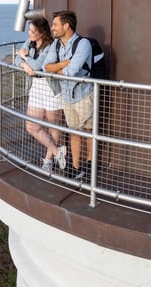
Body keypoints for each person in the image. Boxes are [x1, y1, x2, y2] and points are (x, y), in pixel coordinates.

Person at [43, 10, 94, 181]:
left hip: (83, 94)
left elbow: (71, 72)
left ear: (66, 26)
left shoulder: (83, 44)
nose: (52, 28)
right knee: (74, 132)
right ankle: (75, 167)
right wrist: (64, 63)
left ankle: (90, 164)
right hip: (67, 96)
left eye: (55, 24)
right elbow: (45, 67)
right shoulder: (56, 44)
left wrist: (56, 68)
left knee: (88, 131)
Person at [15, 17, 66, 172]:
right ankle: (58, 152)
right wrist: (24, 64)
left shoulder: (52, 46)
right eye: (29, 30)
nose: (29, 34)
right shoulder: (29, 42)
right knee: (32, 126)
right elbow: (16, 58)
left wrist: (26, 58)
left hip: (50, 88)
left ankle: (48, 160)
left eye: (32, 31)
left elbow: (39, 66)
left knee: (53, 127)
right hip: (36, 87)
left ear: (42, 33)